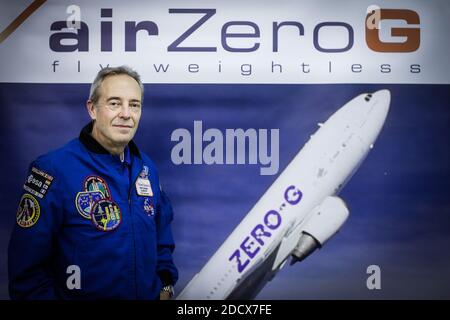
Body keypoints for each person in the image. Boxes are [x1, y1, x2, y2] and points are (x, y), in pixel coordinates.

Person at [8, 66, 178, 300]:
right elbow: (26, 270)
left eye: (134, 105)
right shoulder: (52, 170)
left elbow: (162, 238)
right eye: (114, 103)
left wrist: (166, 286)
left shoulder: (147, 170)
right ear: (92, 109)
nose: (126, 114)